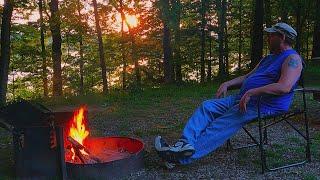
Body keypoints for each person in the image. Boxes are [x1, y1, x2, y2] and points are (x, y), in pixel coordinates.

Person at [154, 22, 303, 169]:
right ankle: (184, 144)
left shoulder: (292, 59)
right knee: (207, 106)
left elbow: (284, 87)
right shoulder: (268, 58)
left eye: (271, 35)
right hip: (242, 98)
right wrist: (227, 83)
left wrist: (252, 92)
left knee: (221, 123)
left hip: (263, 105)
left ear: (281, 37)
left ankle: (178, 158)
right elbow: (247, 77)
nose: (268, 38)